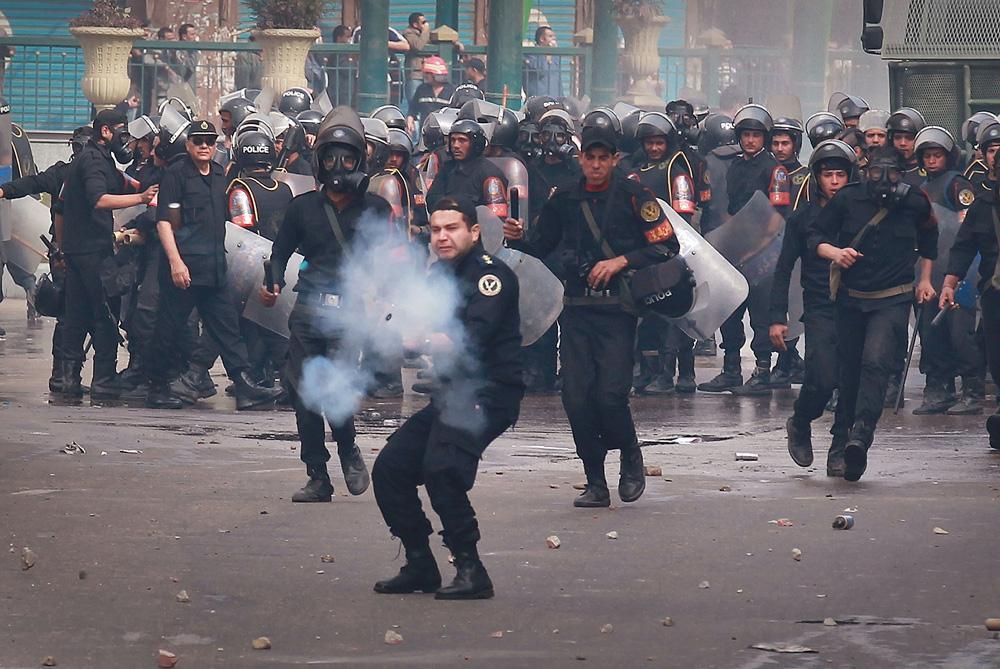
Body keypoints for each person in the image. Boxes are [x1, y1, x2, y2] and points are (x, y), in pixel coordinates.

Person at [505, 114, 680, 508]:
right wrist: (517, 238)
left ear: (615, 159)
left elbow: (667, 246)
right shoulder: (565, 197)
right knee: (576, 398)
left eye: (604, 157)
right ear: (581, 157)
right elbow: (541, 245)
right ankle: (595, 481)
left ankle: (630, 454)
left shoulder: (635, 196)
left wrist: (621, 261)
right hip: (576, 309)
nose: (596, 164)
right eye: (590, 157)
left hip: (618, 309)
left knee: (611, 396)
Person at [371, 195, 524, 600]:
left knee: (442, 469)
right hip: (451, 392)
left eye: (452, 228)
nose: (442, 237)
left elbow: (469, 339)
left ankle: (471, 569)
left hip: (488, 393)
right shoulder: (437, 274)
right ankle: (420, 564)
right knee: (391, 468)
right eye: (436, 229)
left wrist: (420, 338)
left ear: (473, 231)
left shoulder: (491, 276)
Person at [259, 107, 389, 502]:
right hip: (309, 311)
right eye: (331, 158)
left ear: (360, 161)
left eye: (347, 159)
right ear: (319, 161)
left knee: (334, 391)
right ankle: (317, 475)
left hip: (349, 314)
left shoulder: (375, 209)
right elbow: (279, 252)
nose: (338, 167)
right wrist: (273, 281)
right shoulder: (302, 208)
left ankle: (348, 448)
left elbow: (390, 260)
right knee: (303, 395)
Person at [807, 146, 937, 482]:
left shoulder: (915, 201)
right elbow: (814, 235)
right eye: (877, 173)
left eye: (892, 174)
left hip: (892, 297)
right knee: (849, 372)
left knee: (876, 363)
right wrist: (834, 253)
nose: (884, 181)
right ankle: (840, 441)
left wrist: (925, 279)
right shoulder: (848, 199)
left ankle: (861, 435)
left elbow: (930, 238)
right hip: (851, 299)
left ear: (902, 174)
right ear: (865, 173)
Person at [144, 119, 284, 411]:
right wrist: (176, 263)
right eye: (198, 141)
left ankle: (244, 385)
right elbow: (165, 223)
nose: (204, 146)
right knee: (168, 328)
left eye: (210, 141)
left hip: (215, 267)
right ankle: (156, 386)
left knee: (227, 327)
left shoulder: (219, 174)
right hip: (185, 269)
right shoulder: (177, 175)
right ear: (188, 144)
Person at [57, 110, 157, 400]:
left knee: (76, 315)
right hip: (92, 251)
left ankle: (68, 379)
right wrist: (141, 198)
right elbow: (99, 199)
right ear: (104, 131)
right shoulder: (92, 161)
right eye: (121, 132)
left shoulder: (95, 159)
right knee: (104, 314)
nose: (125, 140)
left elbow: (122, 182)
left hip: (77, 249)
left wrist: (146, 185)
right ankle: (104, 379)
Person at [772, 139, 856, 475]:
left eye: (840, 174)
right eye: (827, 175)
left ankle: (840, 446)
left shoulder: (860, 214)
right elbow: (783, 269)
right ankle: (801, 419)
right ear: (817, 178)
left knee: (851, 379)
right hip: (820, 305)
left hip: (857, 305)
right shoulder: (802, 218)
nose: (834, 181)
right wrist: (777, 318)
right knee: (822, 376)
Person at [699, 103, 790, 395]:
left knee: (761, 315)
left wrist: (756, 246)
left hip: (765, 252)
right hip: (736, 248)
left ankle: (762, 372)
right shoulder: (735, 166)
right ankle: (731, 370)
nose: (750, 140)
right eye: (746, 134)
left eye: (756, 135)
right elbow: (730, 207)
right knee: (731, 310)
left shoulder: (775, 170)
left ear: (765, 137)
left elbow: (777, 216)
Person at [911, 126, 982, 415]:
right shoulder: (921, 189)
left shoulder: (957, 185)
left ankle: (972, 391)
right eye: (927, 155)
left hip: (959, 273)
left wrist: (965, 276)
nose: (931, 160)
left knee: (961, 334)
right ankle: (940, 389)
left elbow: (969, 228)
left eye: (937, 155)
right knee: (932, 334)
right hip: (930, 273)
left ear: (948, 156)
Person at [627, 111, 697, 395]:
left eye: (659, 142)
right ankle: (649, 371)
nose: (654, 148)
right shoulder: (634, 175)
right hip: (646, 254)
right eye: (649, 143)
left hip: (674, 253)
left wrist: (673, 250)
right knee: (650, 317)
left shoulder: (677, 174)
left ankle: (678, 374)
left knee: (677, 316)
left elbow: (685, 216)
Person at [940, 120, 1000, 450]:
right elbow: (963, 247)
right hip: (993, 293)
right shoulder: (982, 205)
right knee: (996, 356)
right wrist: (949, 284)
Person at [425, 118, 509, 218]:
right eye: (453, 140)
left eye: (462, 140)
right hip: (446, 223)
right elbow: (432, 200)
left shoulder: (490, 174)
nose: (455, 145)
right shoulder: (446, 169)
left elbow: (497, 216)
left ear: (476, 144)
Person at [406, 56, 455, 136]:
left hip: (444, 134)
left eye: (428, 73)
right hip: (425, 133)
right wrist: (410, 118)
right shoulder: (422, 89)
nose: (425, 75)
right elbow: (413, 108)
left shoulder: (451, 91)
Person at [401, 12, 431, 107]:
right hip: (415, 74)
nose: (426, 24)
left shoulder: (424, 34)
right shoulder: (408, 33)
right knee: (414, 103)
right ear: (415, 24)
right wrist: (425, 31)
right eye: (423, 22)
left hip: (427, 75)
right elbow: (418, 46)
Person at [523, 26, 562, 98]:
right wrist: (548, 53)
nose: (554, 39)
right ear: (542, 39)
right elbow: (542, 71)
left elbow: (558, 77)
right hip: (539, 98)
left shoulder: (555, 55)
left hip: (556, 97)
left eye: (554, 36)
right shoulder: (531, 54)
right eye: (550, 36)